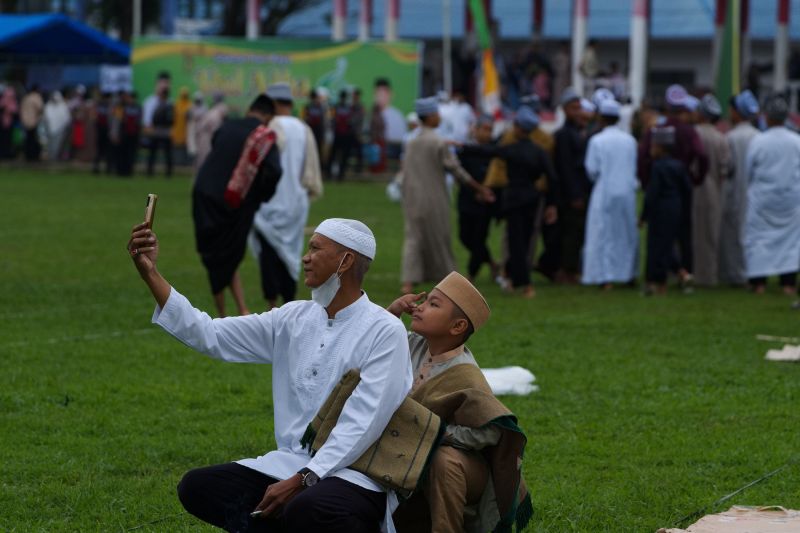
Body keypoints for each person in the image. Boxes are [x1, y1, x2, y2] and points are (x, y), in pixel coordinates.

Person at [127, 217, 412, 532]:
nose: (305, 257)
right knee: (197, 487)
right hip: (290, 463)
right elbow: (209, 334)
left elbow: (363, 423)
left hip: (354, 473)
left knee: (306, 507)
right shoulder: (294, 317)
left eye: (315, 249)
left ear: (345, 261)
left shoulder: (385, 331)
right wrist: (150, 273)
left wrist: (304, 479)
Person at [386, 272, 532, 533]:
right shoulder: (412, 344)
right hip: (410, 455)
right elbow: (373, 344)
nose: (419, 307)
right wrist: (392, 313)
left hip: (465, 470)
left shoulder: (465, 373)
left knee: (445, 460)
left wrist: (435, 435)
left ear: (457, 327)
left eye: (433, 304)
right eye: (425, 300)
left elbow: (489, 431)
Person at [193, 94, 283, 317]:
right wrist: (261, 195)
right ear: (268, 116)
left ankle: (230, 311)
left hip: (203, 194)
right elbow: (275, 171)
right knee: (229, 254)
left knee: (213, 255)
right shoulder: (264, 136)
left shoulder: (227, 126)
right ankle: (232, 312)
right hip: (233, 202)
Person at [460, 106, 558, 298]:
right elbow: (553, 178)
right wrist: (552, 204)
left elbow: (487, 151)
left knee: (516, 243)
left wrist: (462, 146)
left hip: (513, 200)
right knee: (527, 241)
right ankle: (515, 279)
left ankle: (524, 283)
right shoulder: (539, 152)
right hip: (532, 199)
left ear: (518, 127)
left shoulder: (511, 150)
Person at [400, 97, 494, 295]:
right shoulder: (437, 141)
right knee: (439, 236)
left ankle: (408, 281)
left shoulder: (412, 141)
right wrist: (479, 188)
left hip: (411, 197)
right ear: (432, 116)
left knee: (414, 237)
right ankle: (447, 278)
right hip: (434, 197)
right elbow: (456, 170)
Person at [250, 82, 323, 308]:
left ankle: (272, 303)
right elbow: (311, 170)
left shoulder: (267, 127)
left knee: (268, 253)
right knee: (291, 254)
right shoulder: (303, 129)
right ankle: (289, 300)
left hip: (267, 203)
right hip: (295, 204)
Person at [638, 85, 708, 287]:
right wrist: (695, 179)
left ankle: (658, 277)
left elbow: (642, 157)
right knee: (684, 236)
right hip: (682, 189)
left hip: (659, 191)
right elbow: (701, 155)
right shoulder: (689, 131)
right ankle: (686, 273)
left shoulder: (656, 130)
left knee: (658, 238)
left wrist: (646, 182)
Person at [743, 95, 800, 295]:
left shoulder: (759, 141)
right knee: (791, 243)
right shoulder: (796, 141)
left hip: (763, 199)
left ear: (767, 117)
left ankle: (758, 283)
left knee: (759, 240)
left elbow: (748, 171)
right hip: (790, 201)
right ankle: (788, 284)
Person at [582, 99, 639, 288]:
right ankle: (628, 273)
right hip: (627, 193)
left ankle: (605, 277)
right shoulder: (630, 140)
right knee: (626, 233)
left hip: (604, 191)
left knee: (603, 234)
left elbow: (592, 170)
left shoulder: (597, 140)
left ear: (601, 118)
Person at [640, 126, 691, 295]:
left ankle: (658, 282)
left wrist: (644, 215)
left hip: (660, 210)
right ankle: (681, 273)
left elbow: (652, 193)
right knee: (668, 245)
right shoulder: (679, 165)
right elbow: (687, 189)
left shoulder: (658, 167)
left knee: (657, 247)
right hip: (676, 208)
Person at [720, 90, 760, 286]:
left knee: (733, 234)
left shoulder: (731, 137)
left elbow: (727, 168)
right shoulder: (758, 136)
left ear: (737, 112)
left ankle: (736, 274)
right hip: (754, 192)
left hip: (734, 190)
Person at [552, 88, 591, 284]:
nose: (578, 112)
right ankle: (566, 271)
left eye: (579, 108)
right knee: (570, 232)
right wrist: (575, 195)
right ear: (565, 110)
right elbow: (566, 167)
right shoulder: (564, 135)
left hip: (579, 190)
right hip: (570, 193)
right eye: (574, 108)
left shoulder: (577, 131)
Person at [692, 94, 731, 287]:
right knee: (710, 236)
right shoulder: (721, 138)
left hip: (692, 189)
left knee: (691, 234)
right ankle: (709, 276)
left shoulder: (693, 133)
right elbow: (725, 171)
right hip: (714, 191)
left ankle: (689, 274)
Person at [456, 114, 498, 281]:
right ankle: (493, 263)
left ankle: (471, 274)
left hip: (486, 202)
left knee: (479, 238)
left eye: (490, 130)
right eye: (485, 129)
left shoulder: (494, 151)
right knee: (465, 237)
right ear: (476, 129)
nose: (487, 134)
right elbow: (460, 174)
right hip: (467, 199)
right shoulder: (466, 151)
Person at [194, 92, 227, 172]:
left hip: (208, 137)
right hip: (208, 137)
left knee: (205, 160)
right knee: (205, 160)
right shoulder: (215, 111)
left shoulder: (216, 110)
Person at [327, 89, 356, 181]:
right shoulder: (337, 107)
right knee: (334, 155)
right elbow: (331, 119)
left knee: (341, 156)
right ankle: (331, 174)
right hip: (338, 134)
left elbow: (352, 121)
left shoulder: (347, 108)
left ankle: (340, 175)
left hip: (344, 135)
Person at [147, 86, 174, 177]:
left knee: (167, 154)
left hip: (164, 132)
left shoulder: (169, 105)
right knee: (153, 153)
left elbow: (171, 120)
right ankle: (150, 171)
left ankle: (168, 172)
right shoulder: (159, 104)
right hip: (158, 131)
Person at [117, 91, 142, 177]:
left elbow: (139, 122)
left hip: (133, 134)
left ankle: (129, 171)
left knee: (131, 154)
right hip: (125, 134)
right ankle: (121, 171)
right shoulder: (123, 107)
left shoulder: (138, 108)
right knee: (123, 153)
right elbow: (120, 121)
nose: (131, 100)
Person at [43, 91, 71, 162]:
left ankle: (54, 158)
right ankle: (51, 158)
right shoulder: (48, 106)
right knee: (50, 145)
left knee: (57, 145)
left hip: (60, 129)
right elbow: (46, 117)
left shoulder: (63, 106)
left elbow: (66, 118)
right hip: (50, 129)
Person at [20, 84, 44, 162]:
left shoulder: (26, 98)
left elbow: (21, 109)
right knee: (33, 139)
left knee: (28, 139)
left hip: (25, 121)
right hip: (33, 121)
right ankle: (33, 156)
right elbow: (40, 108)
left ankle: (28, 155)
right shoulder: (36, 97)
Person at [302, 89, 326, 164]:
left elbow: (323, 120)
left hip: (318, 132)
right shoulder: (308, 107)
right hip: (310, 131)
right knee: (308, 149)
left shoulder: (321, 107)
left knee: (317, 150)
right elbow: (304, 119)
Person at [171, 86, 192, 165]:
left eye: (185, 95)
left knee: (186, 148)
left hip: (187, 130)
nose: (184, 96)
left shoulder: (190, 105)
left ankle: (185, 164)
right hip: (178, 129)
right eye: (183, 94)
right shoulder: (176, 104)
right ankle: (177, 163)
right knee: (177, 148)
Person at [93, 92, 112, 173]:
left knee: (100, 151)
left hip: (100, 130)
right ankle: (106, 168)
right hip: (105, 130)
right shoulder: (109, 107)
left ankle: (97, 168)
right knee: (105, 151)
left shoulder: (99, 106)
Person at [186, 90, 207, 164]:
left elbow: (205, 119)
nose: (198, 101)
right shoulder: (192, 107)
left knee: (202, 149)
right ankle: (193, 164)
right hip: (193, 130)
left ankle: (200, 163)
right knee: (193, 149)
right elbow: (189, 117)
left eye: (199, 99)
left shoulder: (205, 107)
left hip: (202, 130)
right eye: (197, 99)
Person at [0, 85, 18, 160]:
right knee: (4, 139)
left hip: (9, 123)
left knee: (8, 139)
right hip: (3, 123)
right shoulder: (4, 100)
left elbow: (15, 112)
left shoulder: (12, 102)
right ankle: (3, 153)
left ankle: (6, 153)